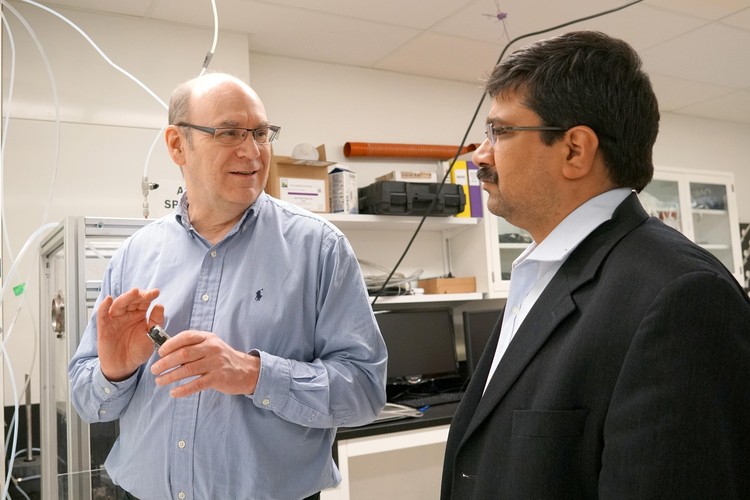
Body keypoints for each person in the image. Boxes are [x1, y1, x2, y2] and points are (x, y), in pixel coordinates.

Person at [441, 30, 750, 499]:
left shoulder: (680, 295)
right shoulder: (542, 273)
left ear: (574, 150)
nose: (480, 154)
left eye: (499, 132)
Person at [69, 72, 387, 500]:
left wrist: (253, 374)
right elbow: (90, 404)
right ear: (178, 145)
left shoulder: (320, 249)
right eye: (230, 133)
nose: (252, 151)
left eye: (260, 133)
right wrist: (116, 370)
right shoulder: (133, 255)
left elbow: (365, 391)